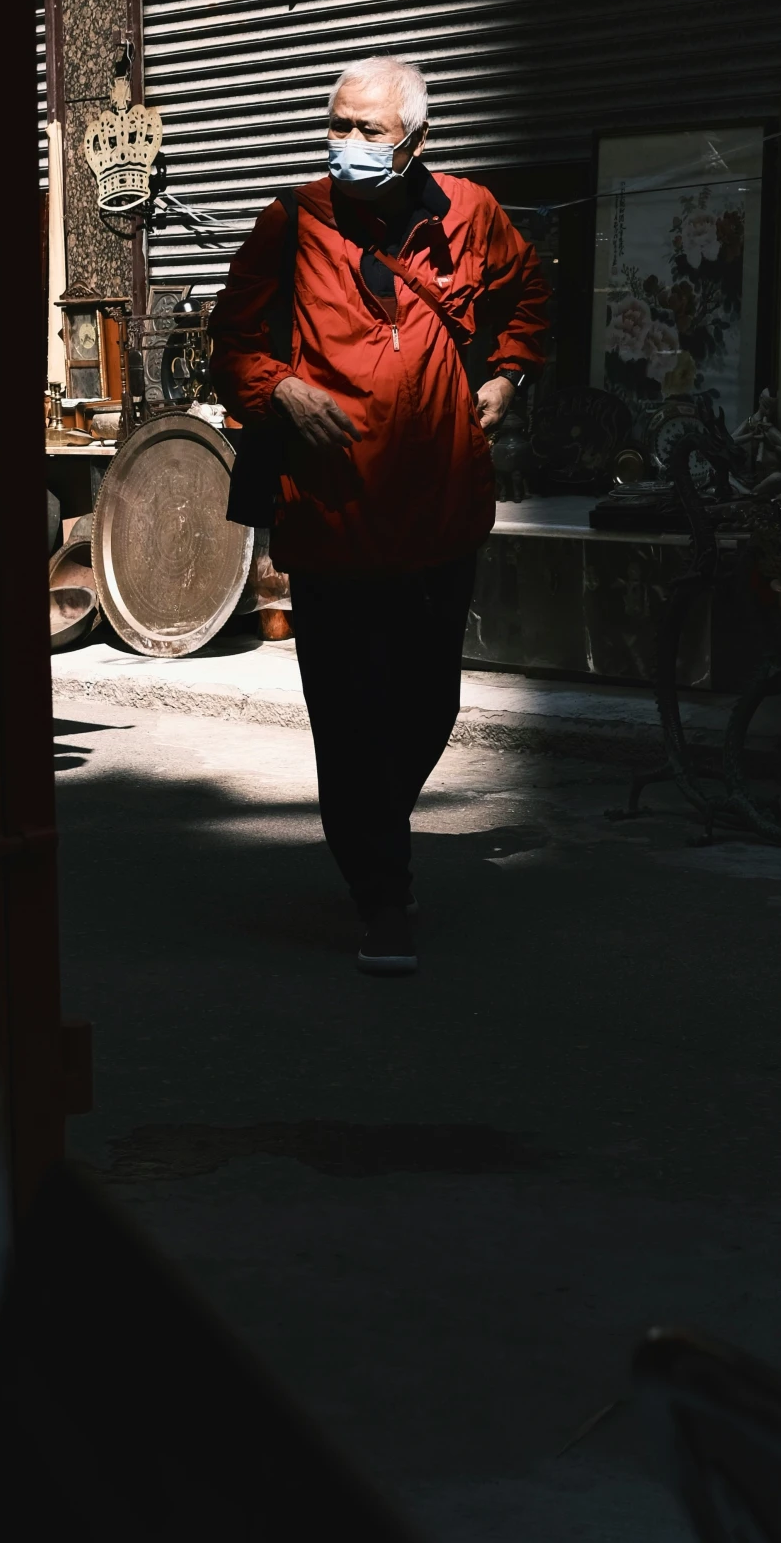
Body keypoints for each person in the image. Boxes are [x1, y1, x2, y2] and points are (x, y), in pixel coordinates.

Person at [208, 56, 550, 977]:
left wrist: (506, 376)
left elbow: (528, 293)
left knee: (428, 703)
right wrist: (278, 390)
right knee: (351, 712)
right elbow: (230, 342)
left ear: (417, 140)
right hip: (333, 514)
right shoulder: (292, 223)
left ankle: (374, 828)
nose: (348, 145)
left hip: (439, 506)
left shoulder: (472, 213)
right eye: (338, 125)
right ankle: (381, 893)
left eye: (370, 131)